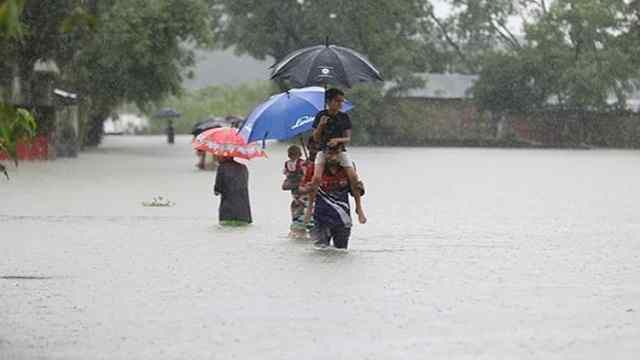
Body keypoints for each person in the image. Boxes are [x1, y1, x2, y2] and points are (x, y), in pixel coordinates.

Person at [311, 88, 366, 224]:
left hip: (340, 151)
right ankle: (310, 208)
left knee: (353, 177)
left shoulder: (344, 117)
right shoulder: (320, 116)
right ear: (329, 102)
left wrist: (337, 140)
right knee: (316, 177)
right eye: (337, 101)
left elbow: (348, 139)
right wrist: (320, 126)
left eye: (341, 101)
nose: (340, 104)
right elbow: (316, 138)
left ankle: (359, 207)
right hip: (323, 151)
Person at [300, 146, 365, 250]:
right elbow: (302, 188)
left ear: (341, 154)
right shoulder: (314, 168)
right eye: (329, 153)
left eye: (336, 153)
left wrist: (359, 196)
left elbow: (355, 189)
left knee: (341, 252)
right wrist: (307, 188)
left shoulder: (347, 168)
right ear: (323, 154)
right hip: (320, 218)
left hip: (342, 219)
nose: (333, 157)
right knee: (320, 251)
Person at [214, 156, 252, 225]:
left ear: (224, 156)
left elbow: (217, 190)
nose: (216, 157)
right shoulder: (244, 168)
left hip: (227, 214)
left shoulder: (222, 168)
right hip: (244, 215)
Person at [282, 145, 306, 237]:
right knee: (296, 204)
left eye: (294, 154)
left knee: (301, 205)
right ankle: (297, 227)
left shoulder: (302, 163)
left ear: (299, 154)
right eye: (290, 154)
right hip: (294, 189)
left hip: (302, 189)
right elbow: (286, 174)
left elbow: (305, 174)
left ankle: (301, 227)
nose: (292, 156)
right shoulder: (287, 163)